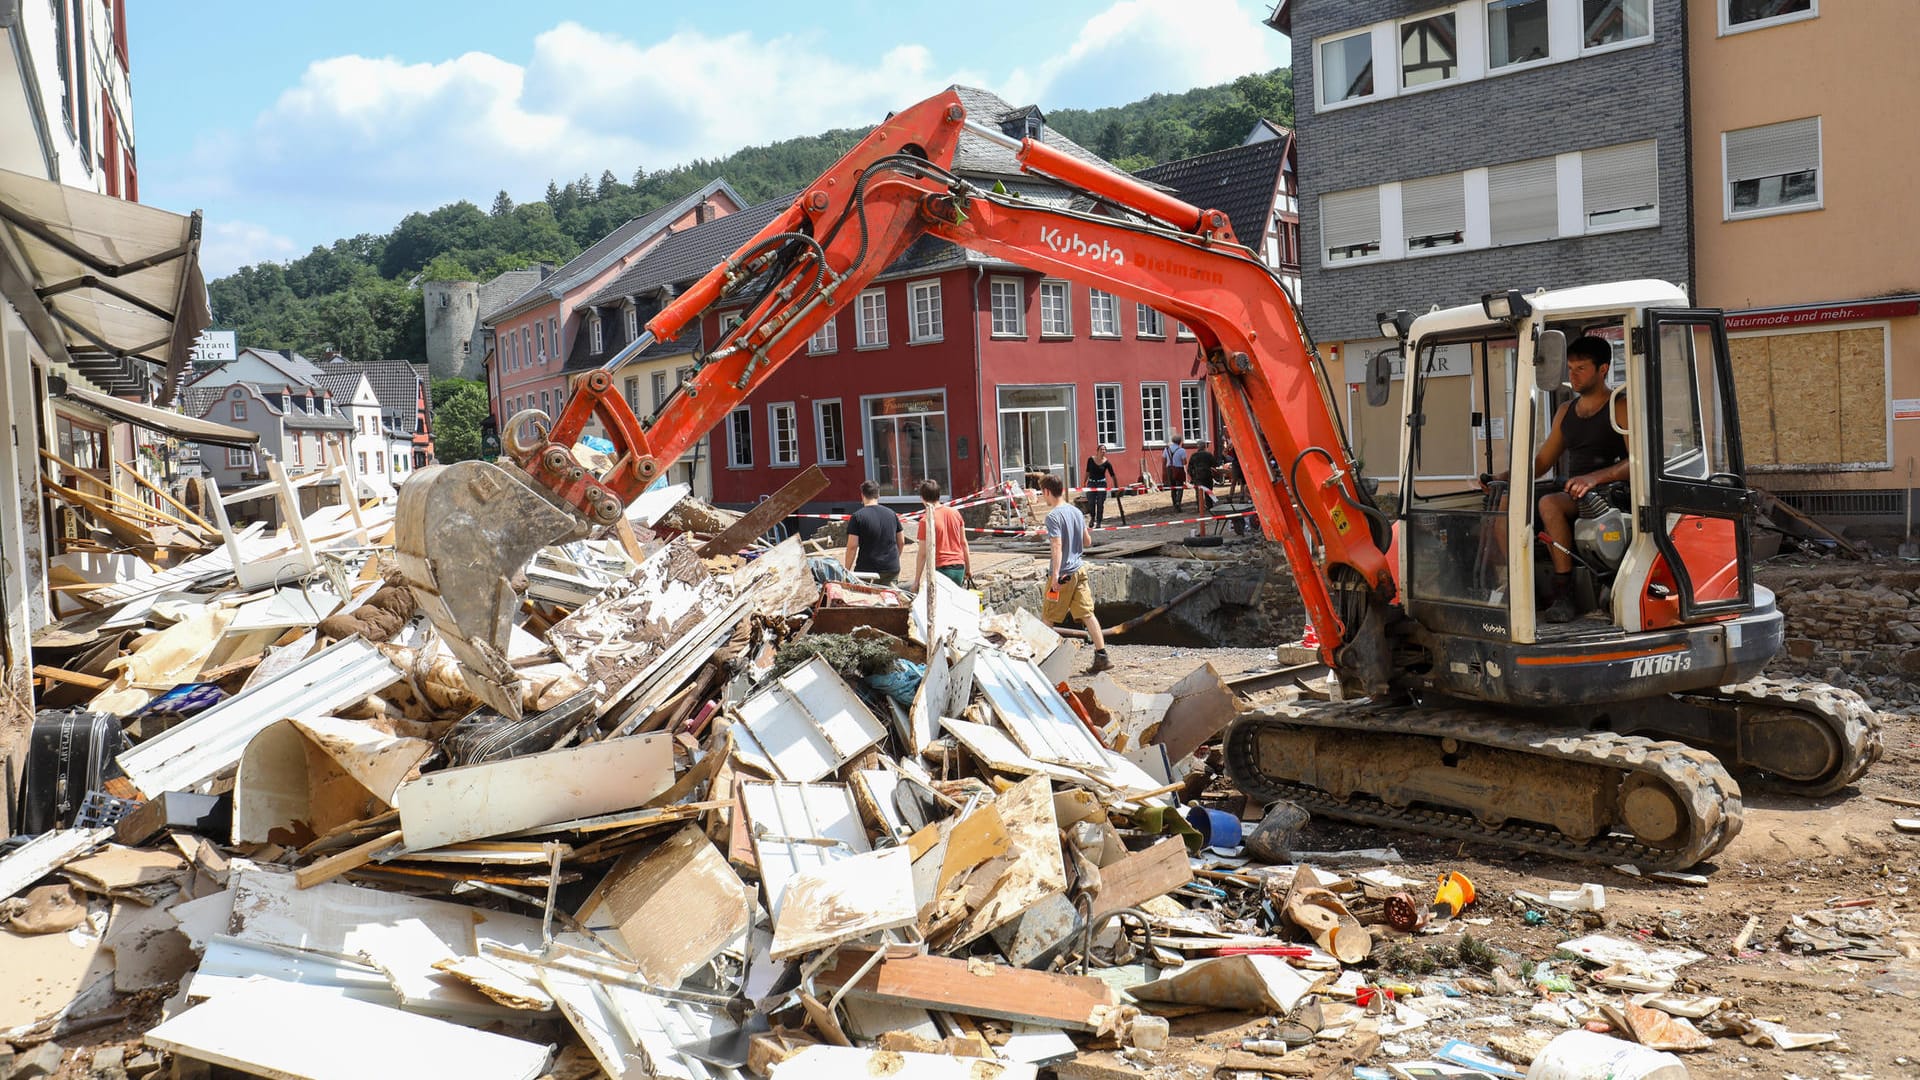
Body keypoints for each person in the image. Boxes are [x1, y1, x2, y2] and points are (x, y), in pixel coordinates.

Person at [1483, 335, 1629, 623]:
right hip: (1575, 490)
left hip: (1610, 492)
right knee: (1506, 500)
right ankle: (1517, 583)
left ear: (1603, 369)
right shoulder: (1566, 412)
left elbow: (1636, 461)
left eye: (1581, 369)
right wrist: (1503, 477)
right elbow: (1541, 463)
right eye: (1570, 368)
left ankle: (1564, 595)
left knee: (1549, 503)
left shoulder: (1619, 406)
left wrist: (1594, 478)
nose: (1572, 376)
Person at [1040, 473, 1111, 673]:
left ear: (1047, 492)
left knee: (1048, 618)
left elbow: (1057, 547)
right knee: (1088, 614)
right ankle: (1102, 656)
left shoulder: (1053, 516)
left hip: (1063, 575)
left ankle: (1043, 662)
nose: (1043, 498)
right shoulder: (1076, 512)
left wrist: (1055, 577)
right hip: (1080, 570)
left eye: (1042, 494)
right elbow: (1087, 541)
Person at [843, 480, 906, 586]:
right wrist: (894, 559)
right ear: (878, 495)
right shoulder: (891, 514)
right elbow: (901, 541)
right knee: (890, 598)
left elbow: (852, 546)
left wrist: (846, 571)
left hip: (867, 570)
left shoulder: (857, 517)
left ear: (862, 495)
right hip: (891, 568)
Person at [912, 479, 972, 588]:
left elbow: (922, 553)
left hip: (941, 568)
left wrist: (916, 580)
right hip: (959, 567)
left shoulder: (925, 520)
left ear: (922, 498)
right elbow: (963, 543)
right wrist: (968, 568)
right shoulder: (955, 513)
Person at [1185, 438, 1218, 536]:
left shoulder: (1194, 456)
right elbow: (1215, 464)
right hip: (1207, 475)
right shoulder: (1208, 455)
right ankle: (1210, 507)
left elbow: (1189, 467)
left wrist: (1192, 477)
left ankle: (1200, 508)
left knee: (1198, 494)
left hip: (1198, 476)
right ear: (1205, 447)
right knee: (1208, 491)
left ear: (1197, 447)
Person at [1084, 445, 1120, 528]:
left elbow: (1113, 475)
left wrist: (1116, 487)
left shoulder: (1107, 463)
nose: (1103, 451)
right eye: (1101, 449)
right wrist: (1084, 482)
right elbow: (1087, 471)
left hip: (1101, 484)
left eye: (1104, 450)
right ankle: (1092, 518)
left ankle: (1099, 521)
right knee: (1091, 502)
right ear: (1097, 451)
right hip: (1091, 483)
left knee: (1100, 503)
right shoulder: (1091, 460)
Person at [1163, 435, 1188, 511]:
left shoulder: (1166, 449)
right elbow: (1184, 462)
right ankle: (1178, 502)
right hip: (1178, 469)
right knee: (1180, 487)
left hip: (1169, 469)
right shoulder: (1182, 450)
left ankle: (1174, 504)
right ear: (1180, 442)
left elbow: (1164, 461)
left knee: (1173, 487)